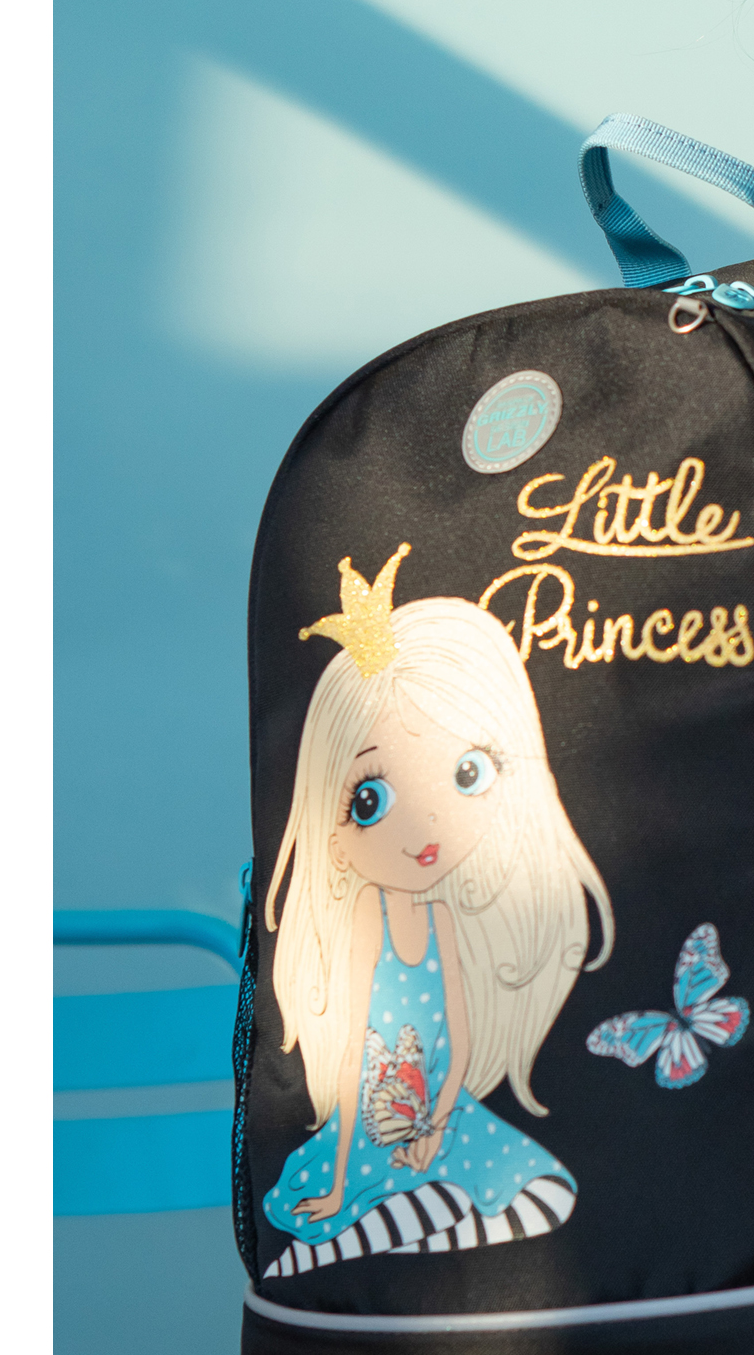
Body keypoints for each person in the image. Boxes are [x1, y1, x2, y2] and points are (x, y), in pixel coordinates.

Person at [259, 544, 615, 1278]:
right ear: (332, 830)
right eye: (369, 800)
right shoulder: (366, 919)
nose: (423, 826)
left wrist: (440, 1121)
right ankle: (388, 1223)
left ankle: (401, 1225)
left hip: (440, 1120)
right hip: (371, 1128)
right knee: (336, 1238)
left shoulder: (444, 920)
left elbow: (457, 1033)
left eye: (467, 773)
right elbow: (350, 1050)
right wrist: (341, 1174)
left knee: (545, 1195)